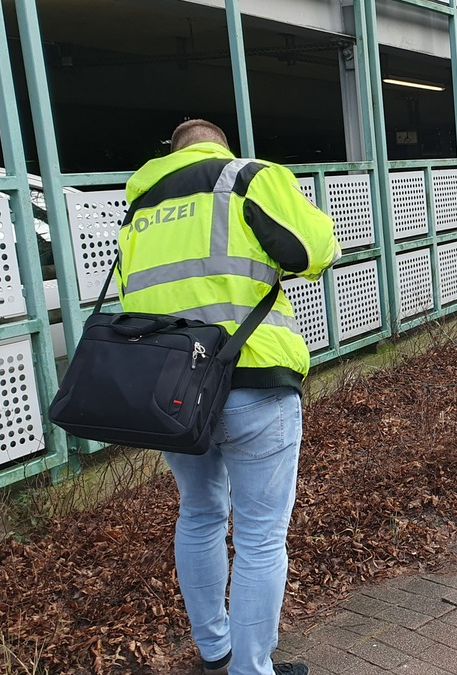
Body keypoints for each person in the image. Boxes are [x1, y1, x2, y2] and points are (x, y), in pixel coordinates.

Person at [119, 120, 340, 675]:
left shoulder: (139, 206)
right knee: (261, 537)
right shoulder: (248, 178)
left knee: (198, 514)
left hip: (174, 394)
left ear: (171, 152)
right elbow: (313, 252)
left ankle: (214, 648)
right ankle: (250, 667)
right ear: (222, 147)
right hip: (254, 379)